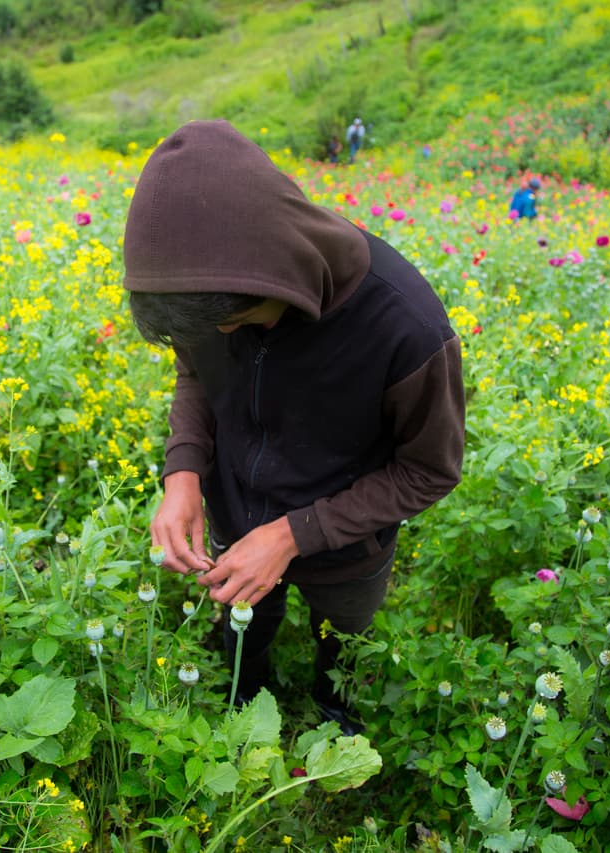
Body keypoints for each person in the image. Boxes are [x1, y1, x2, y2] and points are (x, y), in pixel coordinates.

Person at [123, 120, 465, 735]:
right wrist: (183, 472)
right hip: (234, 517)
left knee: (343, 641)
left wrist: (291, 535)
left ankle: (335, 715)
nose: (223, 333)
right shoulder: (213, 291)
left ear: (278, 273)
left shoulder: (407, 327)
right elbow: (196, 375)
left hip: (348, 550)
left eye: (239, 318)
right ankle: (239, 695)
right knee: (241, 634)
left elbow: (429, 470)